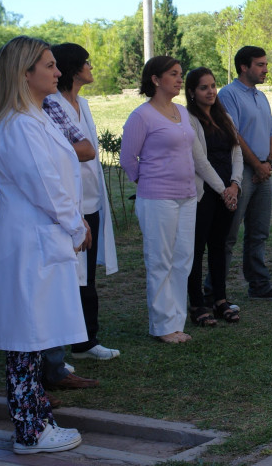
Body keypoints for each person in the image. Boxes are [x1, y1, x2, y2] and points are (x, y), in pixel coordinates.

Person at [0, 35, 90, 454]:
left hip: (39, 237)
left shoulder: (38, 117)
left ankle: (37, 420)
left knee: (35, 334)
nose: (58, 71)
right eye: (48, 65)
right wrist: (74, 226)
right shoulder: (19, 124)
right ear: (25, 73)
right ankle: (30, 431)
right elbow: (44, 186)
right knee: (26, 340)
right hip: (33, 242)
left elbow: (27, 181)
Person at [49, 43, 120, 360]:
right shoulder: (50, 106)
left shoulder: (84, 103)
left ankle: (85, 341)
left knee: (87, 275)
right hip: (67, 203)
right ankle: (69, 344)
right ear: (73, 68)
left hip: (91, 200)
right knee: (68, 275)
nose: (91, 67)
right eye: (86, 62)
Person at [121, 56, 197, 343]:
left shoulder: (182, 112)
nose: (180, 79)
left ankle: (177, 321)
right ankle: (163, 326)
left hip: (187, 197)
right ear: (155, 79)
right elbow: (128, 159)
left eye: (181, 74)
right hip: (157, 198)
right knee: (160, 261)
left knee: (182, 259)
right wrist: (150, 181)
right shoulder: (141, 116)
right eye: (173, 74)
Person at [218, 46, 272, 301]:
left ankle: (259, 286)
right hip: (240, 173)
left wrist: (268, 163)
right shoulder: (228, 95)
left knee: (259, 233)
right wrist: (257, 166)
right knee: (228, 235)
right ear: (244, 67)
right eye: (260, 65)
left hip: (263, 172)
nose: (265, 69)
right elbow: (234, 134)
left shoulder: (261, 97)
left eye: (265, 64)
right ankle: (215, 292)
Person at [185, 67, 244, 324]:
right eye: (203, 87)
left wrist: (235, 185)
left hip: (227, 192)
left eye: (212, 86)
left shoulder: (225, 117)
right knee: (197, 249)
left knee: (219, 246)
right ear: (191, 92)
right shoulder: (189, 119)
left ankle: (220, 299)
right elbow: (199, 160)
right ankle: (197, 304)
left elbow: (237, 153)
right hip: (203, 193)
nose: (210, 91)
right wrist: (223, 190)